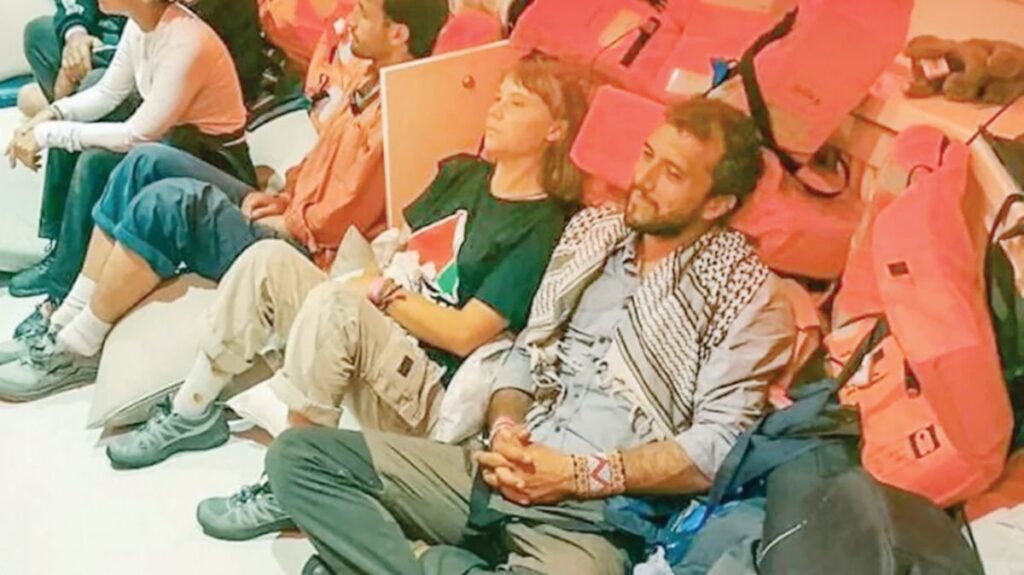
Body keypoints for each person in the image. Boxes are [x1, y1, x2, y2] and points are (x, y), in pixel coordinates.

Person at [264, 97, 797, 575]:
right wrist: (505, 427)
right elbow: (527, 351)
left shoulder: (747, 296)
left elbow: (715, 449)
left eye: (673, 173)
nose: (645, 178)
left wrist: (574, 474)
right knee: (299, 460)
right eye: (648, 155)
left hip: (592, 518)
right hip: (497, 468)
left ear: (716, 204)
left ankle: (425, 561)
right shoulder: (594, 235)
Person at [106, 54, 590, 546]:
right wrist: (368, 286)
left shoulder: (542, 226)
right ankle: (192, 410)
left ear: (555, 130)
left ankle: (290, 485)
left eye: (517, 103)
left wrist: (378, 294)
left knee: (336, 308)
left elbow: (464, 333)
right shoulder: (462, 172)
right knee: (268, 259)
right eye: (498, 96)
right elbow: (398, 253)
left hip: (424, 386)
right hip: (381, 333)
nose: (495, 109)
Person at [0, 0, 452, 402]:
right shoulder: (365, 82)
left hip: (304, 250)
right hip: (286, 210)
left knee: (166, 202)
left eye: (363, 14)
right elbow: (320, 166)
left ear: (399, 33)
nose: (349, 19)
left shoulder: (396, 110)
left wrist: (290, 217)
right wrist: (283, 197)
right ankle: (65, 317)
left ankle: (78, 346)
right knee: (145, 163)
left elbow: (340, 217)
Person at [8, 0, 267, 302]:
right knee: (76, 120)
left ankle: (59, 294)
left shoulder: (188, 40)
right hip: (172, 139)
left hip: (213, 160)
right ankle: (61, 258)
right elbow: (107, 93)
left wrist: (45, 135)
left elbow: (135, 135)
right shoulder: (141, 24)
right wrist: (51, 114)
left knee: (95, 160)